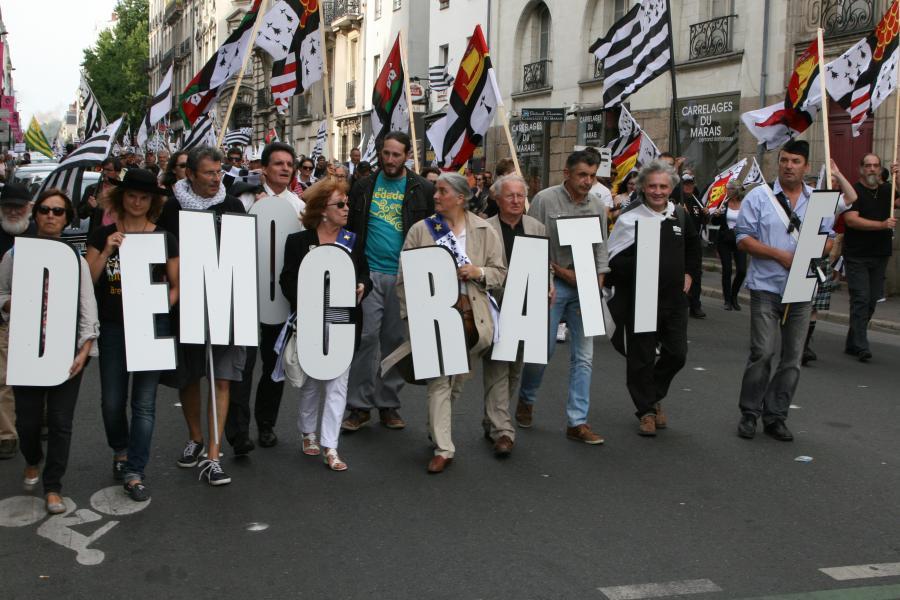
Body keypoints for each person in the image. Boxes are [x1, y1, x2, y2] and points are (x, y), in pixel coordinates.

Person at [395, 172, 505, 472]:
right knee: (439, 380)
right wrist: (411, 317)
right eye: (436, 191)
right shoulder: (422, 230)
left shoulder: (483, 230)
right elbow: (403, 276)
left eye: (442, 191)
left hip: (472, 315)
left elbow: (500, 271)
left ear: (460, 197)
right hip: (434, 314)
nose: (435, 196)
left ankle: (436, 425)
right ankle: (444, 448)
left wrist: (478, 272)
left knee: (457, 380)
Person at [0, 189, 99, 514]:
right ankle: (33, 459)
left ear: (67, 218)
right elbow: (1, 292)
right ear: (36, 214)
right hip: (27, 351)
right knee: (28, 423)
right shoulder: (15, 255)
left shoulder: (75, 259)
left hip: (66, 353)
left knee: (60, 422)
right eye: (45, 210)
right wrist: (14, 302)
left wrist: (85, 349)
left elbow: (88, 309)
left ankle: (53, 485)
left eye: (58, 211)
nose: (51, 216)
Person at [85, 169, 178, 502]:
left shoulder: (164, 238)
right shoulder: (102, 234)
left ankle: (135, 469)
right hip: (112, 326)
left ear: (152, 202)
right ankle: (120, 450)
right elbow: (88, 280)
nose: (137, 202)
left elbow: (176, 285)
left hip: (152, 327)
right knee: (112, 401)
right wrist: (108, 249)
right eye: (132, 196)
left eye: (144, 197)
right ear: (121, 199)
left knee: (144, 404)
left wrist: (158, 309)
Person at [158, 146, 247, 485]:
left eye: (219, 171)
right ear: (190, 174)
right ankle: (195, 437)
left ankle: (214, 453)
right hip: (187, 306)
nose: (216, 178)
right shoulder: (172, 208)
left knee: (222, 378)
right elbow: (163, 252)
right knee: (191, 375)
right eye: (209, 172)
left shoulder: (233, 205)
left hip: (226, 304)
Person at [734, 140, 833, 442]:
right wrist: (780, 255)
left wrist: (815, 251)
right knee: (762, 352)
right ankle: (749, 413)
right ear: (778, 162)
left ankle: (776, 416)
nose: (789, 166)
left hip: (801, 288)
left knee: (792, 358)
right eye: (785, 160)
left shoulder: (818, 200)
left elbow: (829, 240)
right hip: (766, 285)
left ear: (806, 166)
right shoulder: (759, 197)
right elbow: (743, 239)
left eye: (796, 161)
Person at [343, 131, 435, 431]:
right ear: (379, 154)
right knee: (366, 339)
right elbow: (350, 229)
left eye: (397, 154)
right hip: (368, 275)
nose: (390, 160)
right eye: (386, 154)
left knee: (396, 342)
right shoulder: (364, 186)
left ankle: (388, 404)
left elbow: (434, 233)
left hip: (404, 277)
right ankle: (358, 406)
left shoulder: (422, 189)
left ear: (408, 155)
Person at [517, 150, 610, 444]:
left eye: (593, 176)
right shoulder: (545, 200)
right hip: (553, 285)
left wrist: (595, 286)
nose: (588, 181)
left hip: (586, 288)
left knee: (584, 357)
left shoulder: (597, 205)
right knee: (541, 351)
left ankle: (577, 421)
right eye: (583, 174)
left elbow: (600, 251)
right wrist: (553, 273)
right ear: (567, 173)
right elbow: (531, 242)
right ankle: (526, 398)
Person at [279, 178, 370, 471]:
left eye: (347, 203)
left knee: (337, 383)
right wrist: (307, 298)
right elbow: (286, 281)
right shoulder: (298, 242)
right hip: (311, 320)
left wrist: (361, 286)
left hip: (343, 320)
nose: (347, 209)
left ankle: (331, 446)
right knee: (312, 380)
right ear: (321, 209)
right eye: (340, 204)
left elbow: (365, 275)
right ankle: (308, 431)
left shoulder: (352, 241)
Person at [606, 160, 701, 436]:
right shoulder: (629, 219)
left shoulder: (680, 216)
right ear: (642, 188)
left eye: (663, 186)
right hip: (643, 297)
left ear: (671, 187)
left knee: (677, 354)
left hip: (674, 299)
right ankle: (646, 410)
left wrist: (690, 275)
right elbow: (615, 261)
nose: (658, 191)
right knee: (642, 357)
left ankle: (653, 394)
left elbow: (694, 248)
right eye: (652, 186)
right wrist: (642, 263)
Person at [227, 142, 305, 453]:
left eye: (289, 164)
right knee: (242, 367)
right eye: (278, 164)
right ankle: (239, 432)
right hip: (248, 294)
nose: (285, 169)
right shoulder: (245, 200)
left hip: (281, 299)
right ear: (264, 168)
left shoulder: (299, 206)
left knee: (275, 366)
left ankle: (267, 424)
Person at [482, 175, 547, 456]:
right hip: (496, 307)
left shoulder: (537, 227)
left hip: (527, 308)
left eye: (521, 196)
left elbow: (546, 265)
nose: (516, 201)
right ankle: (503, 431)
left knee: (514, 370)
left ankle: (493, 419)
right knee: (498, 368)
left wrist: (549, 285)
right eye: (510, 196)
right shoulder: (484, 229)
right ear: (497, 198)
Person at [842, 153, 898, 362]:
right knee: (861, 298)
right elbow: (852, 221)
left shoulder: (886, 191)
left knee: (872, 300)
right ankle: (861, 345)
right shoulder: (854, 192)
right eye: (868, 165)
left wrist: (898, 176)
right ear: (861, 169)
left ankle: (852, 340)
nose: (872, 169)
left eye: (876, 166)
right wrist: (882, 225)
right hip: (857, 255)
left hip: (880, 254)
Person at [803, 160, 857, 365]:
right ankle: (794, 342)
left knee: (814, 304)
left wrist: (839, 173)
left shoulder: (833, 202)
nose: (834, 185)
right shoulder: (808, 198)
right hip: (801, 253)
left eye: (836, 183)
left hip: (821, 255)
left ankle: (804, 345)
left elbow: (852, 196)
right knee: (798, 302)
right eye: (831, 181)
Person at [0, 183, 36, 460]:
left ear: (29, 208)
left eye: (18, 206)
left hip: (40, 319)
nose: (13, 211)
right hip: (4, 317)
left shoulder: (42, 233)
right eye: (8, 206)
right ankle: (7, 434)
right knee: (3, 378)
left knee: (37, 374)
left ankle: (40, 420)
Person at [711, 180, 747, 311]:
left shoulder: (745, 205)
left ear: (737, 191)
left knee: (742, 271)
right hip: (724, 240)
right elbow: (715, 221)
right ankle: (727, 300)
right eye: (728, 189)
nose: (728, 192)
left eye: (731, 189)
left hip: (739, 240)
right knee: (726, 270)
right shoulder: (723, 203)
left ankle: (734, 296)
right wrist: (716, 215)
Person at [678, 170, 708, 318]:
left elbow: (704, 221)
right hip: (679, 242)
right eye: (686, 184)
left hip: (694, 243)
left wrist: (706, 214)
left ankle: (695, 305)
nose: (688, 186)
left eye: (691, 184)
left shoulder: (697, 200)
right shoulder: (677, 200)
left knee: (696, 273)